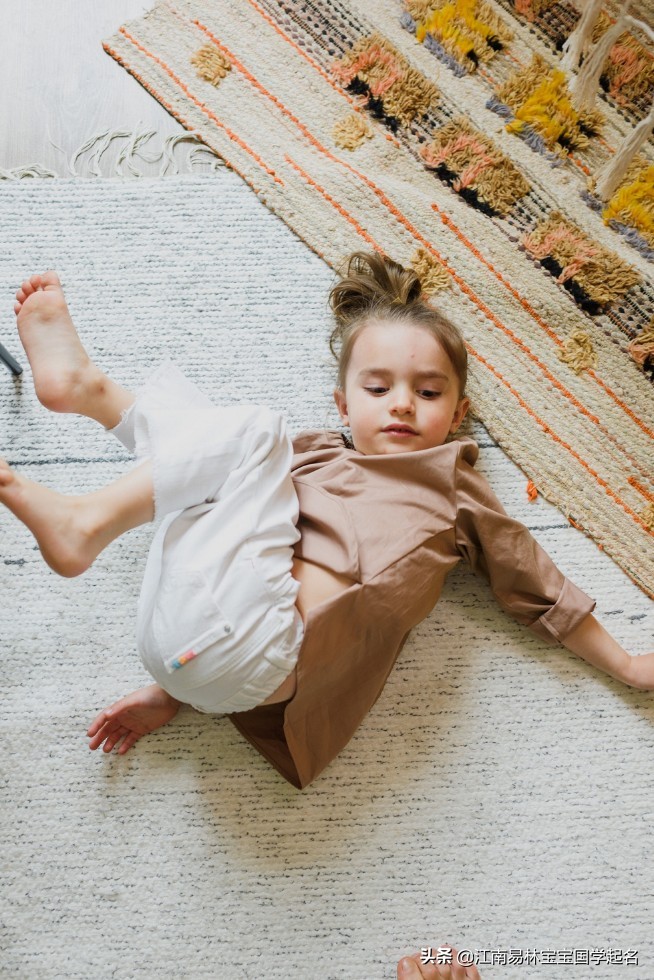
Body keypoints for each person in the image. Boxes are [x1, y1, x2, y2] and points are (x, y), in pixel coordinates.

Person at [3, 255, 652, 782]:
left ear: (457, 415)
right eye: (378, 390)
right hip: (182, 644)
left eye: (427, 393)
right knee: (225, 444)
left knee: (251, 434)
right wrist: (178, 691)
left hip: (255, 658)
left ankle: (93, 422)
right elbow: (194, 482)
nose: (401, 404)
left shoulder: (454, 489)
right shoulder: (308, 454)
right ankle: (90, 401)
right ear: (344, 405)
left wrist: (625, 664)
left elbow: (538, 588)